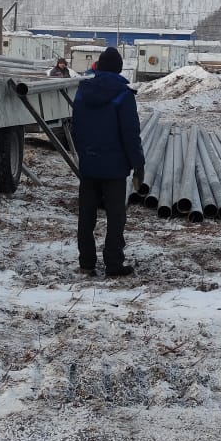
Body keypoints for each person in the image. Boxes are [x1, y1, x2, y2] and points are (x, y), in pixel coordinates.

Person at [71, 46, 144, 278]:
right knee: (115, 218)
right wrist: (138, 163)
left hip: (89, 165)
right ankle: (113, 264)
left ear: (99, 67)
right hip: (114, 168)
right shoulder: (123, 95)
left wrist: (85, 153)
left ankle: (86, 263)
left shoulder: (82, 92)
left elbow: (75, 128)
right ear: (119, 68)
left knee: (86, 216)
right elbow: (130, 133)